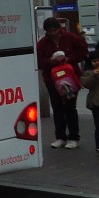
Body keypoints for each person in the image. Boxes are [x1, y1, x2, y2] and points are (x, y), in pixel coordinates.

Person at [36, 17, 87, 149]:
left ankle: (73, 137)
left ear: (59, 28)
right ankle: (60, 137)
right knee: (57, 108)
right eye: (50, 31)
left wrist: (69, 58)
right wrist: (51, 61)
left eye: (55, 30)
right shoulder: (42, 43)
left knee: (70, 107)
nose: (53, 33)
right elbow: (39, 61)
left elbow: (83, 51)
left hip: (70, 77)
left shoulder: (71, 37)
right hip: (52, 79)